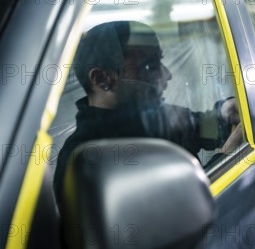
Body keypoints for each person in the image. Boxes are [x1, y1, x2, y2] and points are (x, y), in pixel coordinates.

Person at [54, 20, 242, 208]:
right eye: (150, 66)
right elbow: (173, 223)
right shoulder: (84, 166)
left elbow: (200, 126)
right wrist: (228, 158)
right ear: (101, 79)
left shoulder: (157, 118)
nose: (167, 75)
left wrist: (223, 113)